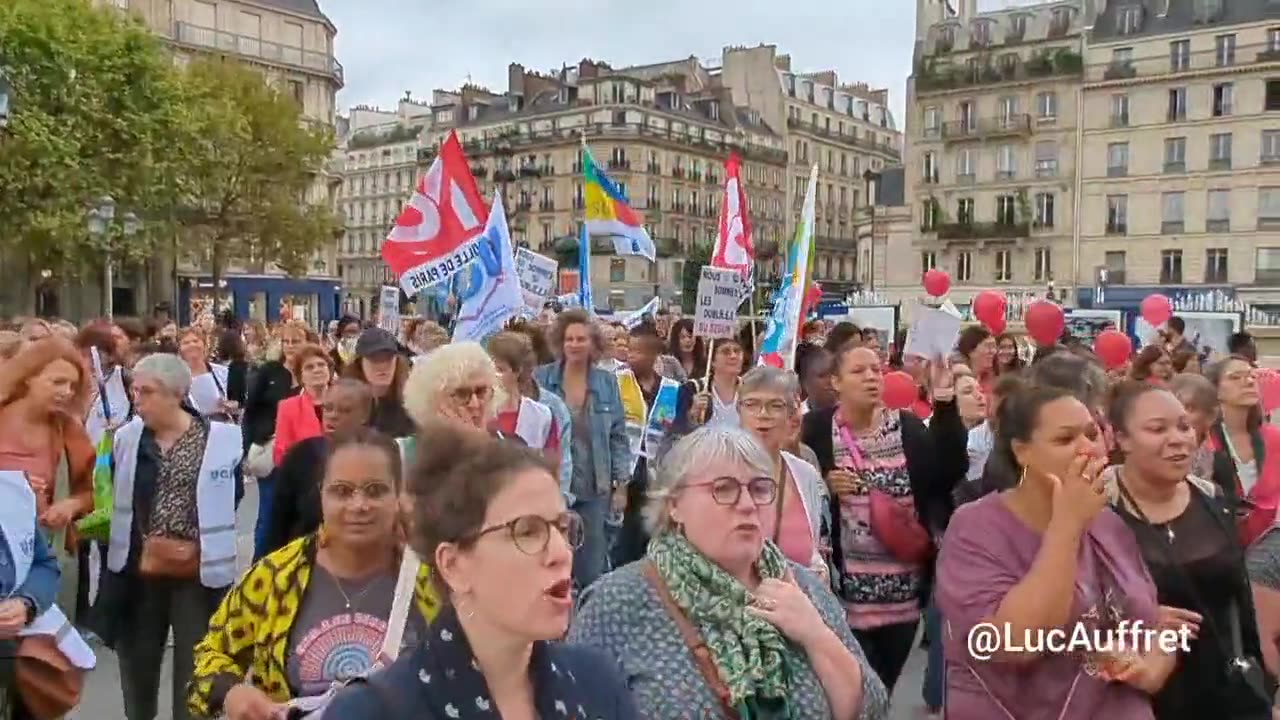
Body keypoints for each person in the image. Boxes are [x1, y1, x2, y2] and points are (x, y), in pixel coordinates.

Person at [569, 425, 889, 719]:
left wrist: (815, 634)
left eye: (760, 488)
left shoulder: (802, 589)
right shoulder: (617, 602)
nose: (748, 504)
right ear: (674, 505)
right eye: (724, 489)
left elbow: (872, 710)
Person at [323, 421, 637, 719]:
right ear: (453, 565)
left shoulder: (597, 685)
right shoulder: (373, 711)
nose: (561, 552)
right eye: (527, 531)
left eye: (562, 528)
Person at [937, 384, 1173, 719]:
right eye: (1065, 440)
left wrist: (1150, 667)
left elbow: (1152, 622)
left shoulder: (1109, 524)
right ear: (1022, 452)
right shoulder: (975, 528)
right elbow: (1014, 642)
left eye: (1092, 434)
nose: (1087, 449)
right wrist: (1067, 526)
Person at [187, 429, 440, 720]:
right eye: (342, 491)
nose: (358, 505)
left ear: (399, 495)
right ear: (321, 493)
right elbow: (208, 658)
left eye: (375, 490)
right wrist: (231, 693)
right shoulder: (274, 578)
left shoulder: (435, 579)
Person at [1103, 381, 1276, 720]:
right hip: (1139, 695)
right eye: (1157, 429)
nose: (1178, 439)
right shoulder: (1096, 508)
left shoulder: (1213, 499)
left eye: (1184, 426)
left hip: (1226, 690)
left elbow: (1240, 604)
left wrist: (1266, 690)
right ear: (1121, 439)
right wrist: (1137, 616)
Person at [802, 345, 966, 694]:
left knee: (882, 694)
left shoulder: (906, 429)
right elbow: (797, 486)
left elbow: (949, 471)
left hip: (901, 601)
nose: (872, 378)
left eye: (876, 370)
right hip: (842, 603)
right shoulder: (815, 429)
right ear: (836, 382)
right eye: (859, 371)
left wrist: (946, 400)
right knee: (852, 697)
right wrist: (825, 483)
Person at [94, 352, 244, 720]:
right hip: (138, 570)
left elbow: (234, 492)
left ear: (176, 393)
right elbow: (109, 491)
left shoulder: (221, 438)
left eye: (146, 392)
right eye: (134, 391)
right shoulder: (128, 438)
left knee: (195, 671)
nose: (137, 400)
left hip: (199, 572)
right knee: (138, 667)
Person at [534, 310, 629, 590]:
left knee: (592, 568)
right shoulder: (541, 379)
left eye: (581, 339)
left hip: (594, 488)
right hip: (553, 487)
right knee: (551, 563)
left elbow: (618, 436)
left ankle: (589, 623)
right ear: (560, 343)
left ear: (593, 344)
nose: (575, 344)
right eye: (569, 339)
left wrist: (621, 486)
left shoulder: (606, 382)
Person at [263, 379, 374, 555]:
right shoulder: (301, 454)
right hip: (304, 563)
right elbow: (277, 523)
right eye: (328, 408)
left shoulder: (379, 458)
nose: (332, 415)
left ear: (364, 416)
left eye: (344, 410)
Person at [736, 366, 829, 573]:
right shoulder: (717, 471)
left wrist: (818, 571)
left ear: (790, 416)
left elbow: (813, 548)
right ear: (739, 412)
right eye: (752, 404)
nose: (763, 414)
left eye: (775, 406)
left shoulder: (806, 475)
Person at [487, 333, 561, 468]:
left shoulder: (542, 416)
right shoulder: (479, 412)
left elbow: (553, 468)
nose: (492, 375)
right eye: (489, 368)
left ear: (518, 371)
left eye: (500, 369)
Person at [271, 343, 333, 466]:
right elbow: (279, 456)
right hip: (305, 476)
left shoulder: (344, 400)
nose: (317, 369)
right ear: (301, 376)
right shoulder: (288, 407)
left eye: (321, 365)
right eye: (309, 367)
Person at [345, 328, 414, 438]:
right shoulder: (347, 403)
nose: (382, 366)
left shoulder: (412, 404)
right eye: (375, 359)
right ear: (360, 363)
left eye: (388, 358)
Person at [177, 328, 232, 419]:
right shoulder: (175, 378)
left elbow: (239, 403)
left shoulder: (222, 372)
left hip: (221, 426)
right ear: (179, 349)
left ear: (204, 344)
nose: (192, 345)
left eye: (196, 341)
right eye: (186, 343)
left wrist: (230, 405)